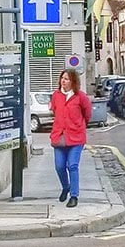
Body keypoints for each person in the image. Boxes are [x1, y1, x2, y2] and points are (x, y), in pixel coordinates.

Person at [50, 69, 92, 208]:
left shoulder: (81, 97)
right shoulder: (56, 95)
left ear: (73, 81)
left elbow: (87, 114)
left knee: (72, 166)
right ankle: (66, 187)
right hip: (59, 137)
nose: (63, 81)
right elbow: (55, 111)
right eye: (62, 78)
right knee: (59, 166)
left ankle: (74, 196)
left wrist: (79, 125)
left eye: (67, 79)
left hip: (76, 137)